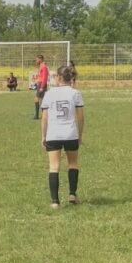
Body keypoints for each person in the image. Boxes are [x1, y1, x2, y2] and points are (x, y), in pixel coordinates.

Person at [40, 64, 84, 207]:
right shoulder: (75, 93)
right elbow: (81, 118)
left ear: (58, 77)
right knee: (73, 164)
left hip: (53, 134)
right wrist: (80, 135)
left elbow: (44, 118)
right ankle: (72, 194)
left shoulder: (49, 93)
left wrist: (43, 136)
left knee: (54, 167)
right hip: (71, 134)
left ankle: (55, 202)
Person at [32, 55, 49, 120]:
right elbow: (41, 76)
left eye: (36, 60)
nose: (36, 61)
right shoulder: (41, 66)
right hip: (40, 84)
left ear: (40, 59)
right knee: (41, 100)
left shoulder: (43, 67)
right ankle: (43, 115)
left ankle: (37, 115)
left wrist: (42, 86)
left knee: (37, 99)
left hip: (42, 85)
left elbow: (45, 77)